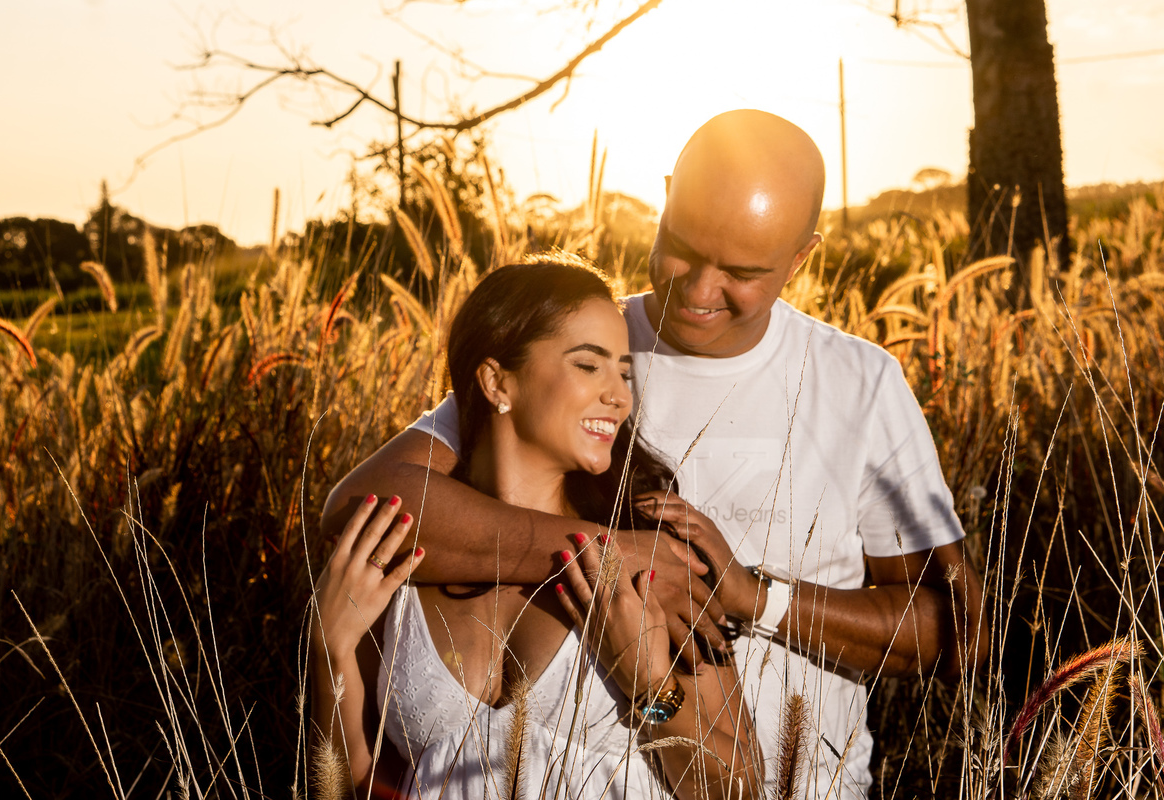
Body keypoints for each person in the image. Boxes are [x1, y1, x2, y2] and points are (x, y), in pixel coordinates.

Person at [324, 110, 988, 798]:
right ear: (666, 195)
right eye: (683, 246)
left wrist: (753, 599)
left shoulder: (859, 385)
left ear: (801, 259)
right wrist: (621, 551)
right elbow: (366, 508)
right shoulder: (580, 338)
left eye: (742, 271)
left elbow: (956, 631)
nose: (700, 291)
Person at [310, 258, 762, 799]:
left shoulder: (650, 559)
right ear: (497, 381)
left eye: (623, 372)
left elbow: (741, 788)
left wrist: (650, 687)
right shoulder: (398, 557)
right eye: (588, 366)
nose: (619, 395)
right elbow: (356, 791)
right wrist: (329, 651)